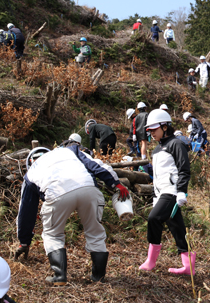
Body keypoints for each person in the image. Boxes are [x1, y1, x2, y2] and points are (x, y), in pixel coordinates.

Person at [15, 146, 129, 285]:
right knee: (95, 232)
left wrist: (24, 241)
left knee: (53, 234)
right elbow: (95, 164)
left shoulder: (31, 173)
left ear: (30, 162)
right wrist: (115, 183)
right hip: (88, 188)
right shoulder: (69, 150)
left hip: (56, 194)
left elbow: (26, 212)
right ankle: (98, 277)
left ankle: (59, 276)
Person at [139, 109, 195, 275]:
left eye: (154, 130)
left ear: (164, 127)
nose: (151, 134)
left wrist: (181, 192)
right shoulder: (157, 150)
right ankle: (188, 265)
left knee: (154, 218)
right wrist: (155, 195)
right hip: (160, 192)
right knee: (176, 227)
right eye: (149, 131)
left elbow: (184, 169)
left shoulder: (176, 144)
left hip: (171, 191)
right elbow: (158, 175)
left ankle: (151, 260)